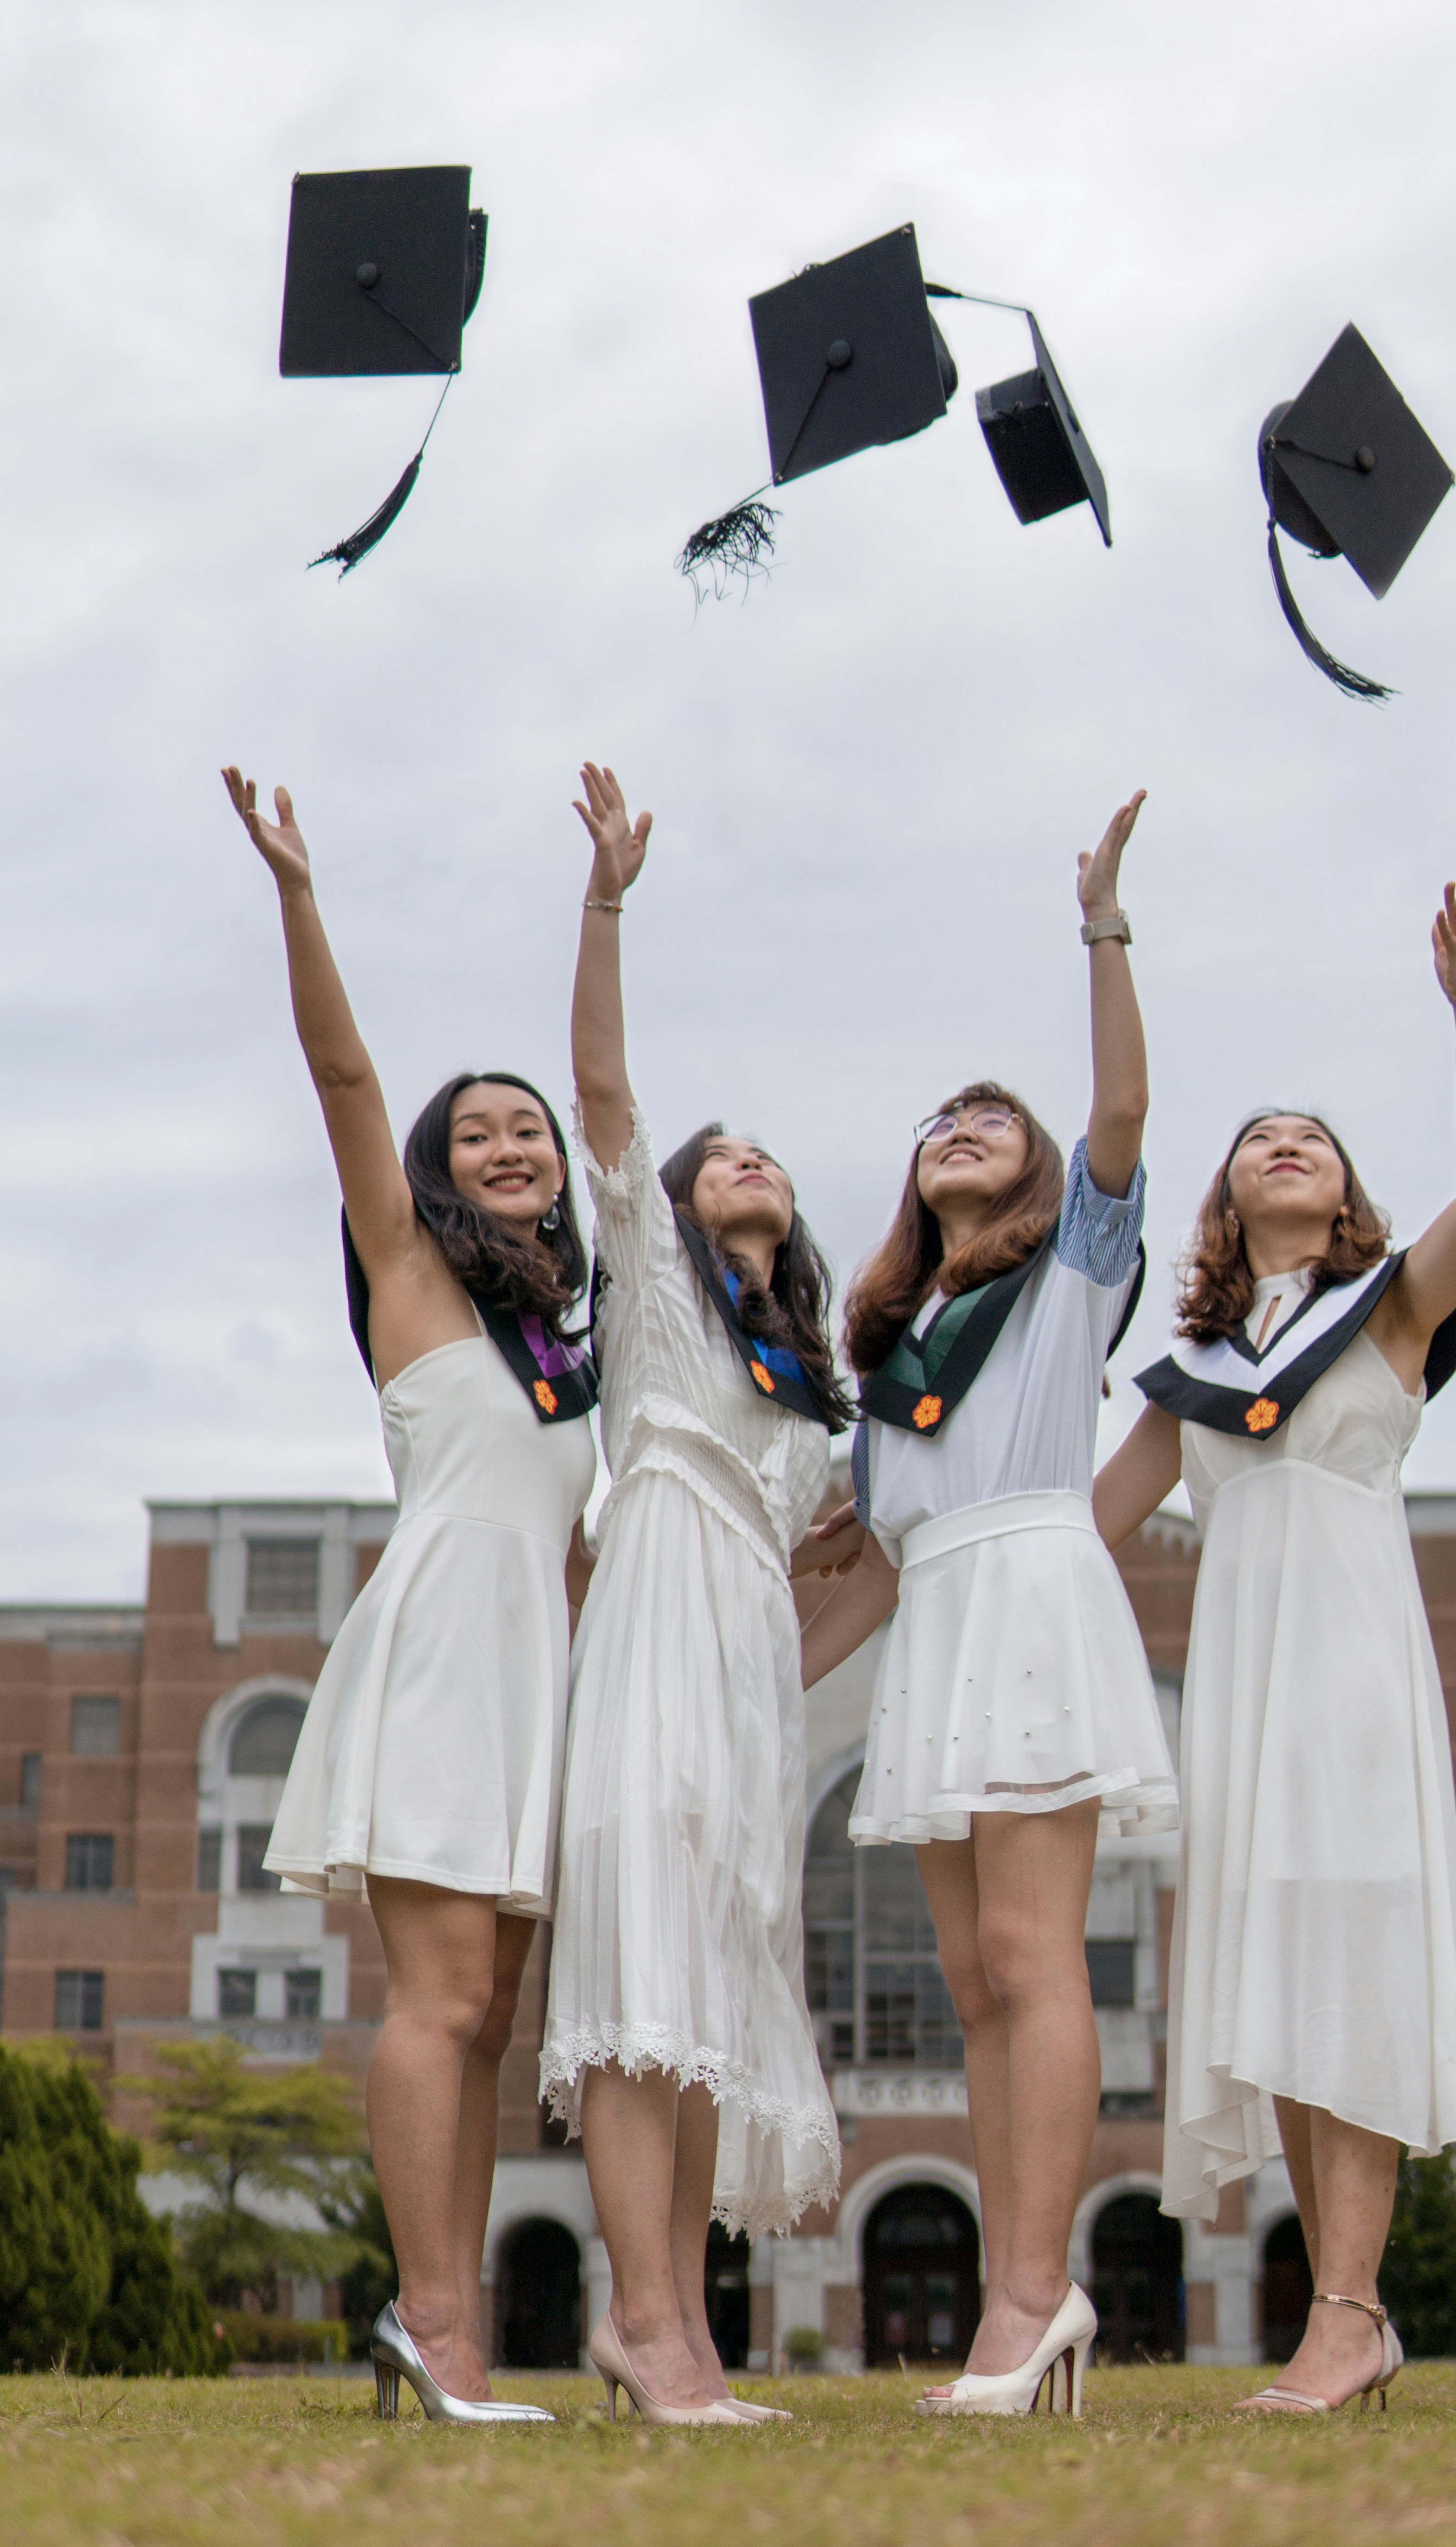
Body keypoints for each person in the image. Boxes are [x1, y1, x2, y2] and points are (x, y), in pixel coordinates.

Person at [1093, 865, 1456, 2415]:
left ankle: (1346, 2311)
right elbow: (1081, 1528)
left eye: (1314, 1139)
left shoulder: (1391, 1310)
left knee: (1351, 1948)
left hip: (1349, 1657)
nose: (1285, 1140)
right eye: (1260, 1135)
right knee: (1276, 1968)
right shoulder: (1194, 1371)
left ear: (1343, 1200)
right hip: (1242, 1678)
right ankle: (1345, 2317)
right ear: (1225, 1197)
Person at [221, 768, 598, 2427]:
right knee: (440, 1999)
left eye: (531, 1129)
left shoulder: (571, 1348)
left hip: (536, 1675)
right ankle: (431, 2325)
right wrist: (300, 894)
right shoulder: (410, 1270)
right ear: (442, 1173)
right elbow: (345, 1075)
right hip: (445, 1654)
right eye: (478, 1133)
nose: (509, 1145)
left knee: (491, 2017)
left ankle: (450, 2338)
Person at [798, 792, 1177, 2418]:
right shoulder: (886, 1364)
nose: (961, 1125)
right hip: (938, 1635)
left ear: (1032, 1171)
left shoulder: (1066, 1279)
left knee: (1032, 1954)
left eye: (989, 1117)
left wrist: (1100, 925)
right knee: (973, 1984)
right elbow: (878, 1571)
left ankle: (1032, 2293)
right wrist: (741, 1679)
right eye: (938, 1118)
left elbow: (1121, 1110)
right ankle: (1014, 2311)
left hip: (1031, 1601)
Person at [541, 764, 851, 2428]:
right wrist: (606, 900)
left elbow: (843, 1551)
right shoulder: (657, 1290)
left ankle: (687, 2341)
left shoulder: (811, 1390)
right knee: (638, 1974)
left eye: (765, 1156)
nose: (745, 1163)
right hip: (656, 1607)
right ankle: (641, 2321)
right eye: (717, 1154)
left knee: (713, 1993)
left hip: (748, 1665)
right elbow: (602, 1089)